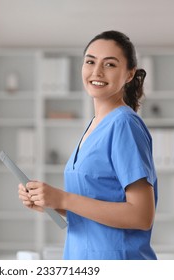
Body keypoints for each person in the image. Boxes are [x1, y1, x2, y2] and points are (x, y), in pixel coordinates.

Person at [18, 30, 158, 260]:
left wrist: (63, 198)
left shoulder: (124, 124)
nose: (97, 71)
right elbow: (97, 207)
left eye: (110, 64)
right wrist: (50, 202)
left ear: (129, 74)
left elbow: (141, 215)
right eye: (90, 61)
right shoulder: (94, 125)